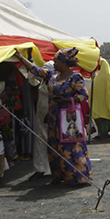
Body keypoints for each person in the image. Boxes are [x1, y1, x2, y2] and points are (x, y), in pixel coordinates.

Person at [16, 48, 93, 186]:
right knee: (54, 145)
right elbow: (35, 70)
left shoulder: (75, 77)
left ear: (63, 63)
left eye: (56, 61)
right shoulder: (52, 75)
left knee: (70, 146)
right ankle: (58, 175)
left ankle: (75, 176)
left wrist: (68, 101)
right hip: (53, 115)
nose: (54, 63)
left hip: (68, 117)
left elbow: (83, 95)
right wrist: (21, 58)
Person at [27, 61, 54, 181]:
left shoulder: (55, 83)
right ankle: (40, 169)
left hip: (50, 116)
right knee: (40, 142)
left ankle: (54, 168)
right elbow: (31, 80)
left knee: (52, 141)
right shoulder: (43, 82)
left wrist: (50, 112)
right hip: (40, 116)